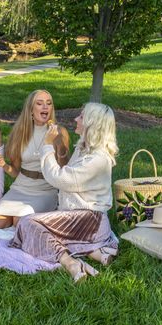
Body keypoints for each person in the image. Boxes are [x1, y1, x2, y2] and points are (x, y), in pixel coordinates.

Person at [10, 102, 119, 283]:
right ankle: (95, 252)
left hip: (89, 221)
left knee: (27, 222)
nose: (76, 119)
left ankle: (70, 263)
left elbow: (59, 179)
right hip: (77, 218)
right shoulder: (83, 148)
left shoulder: (98, 159)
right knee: (36, 224)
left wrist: (47, 145)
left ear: (93, 124)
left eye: (82, 116)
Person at [0, 89, 70, 229]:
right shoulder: (20, 133)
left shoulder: (59, 132)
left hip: (45, 189)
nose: (45, 107)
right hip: (21, 187)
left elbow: (64, 171)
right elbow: (15, 171)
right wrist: (4, 165)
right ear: (31, 110)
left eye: (48, 103)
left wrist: (60, 146)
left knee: (20, 222)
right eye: (40, 103)